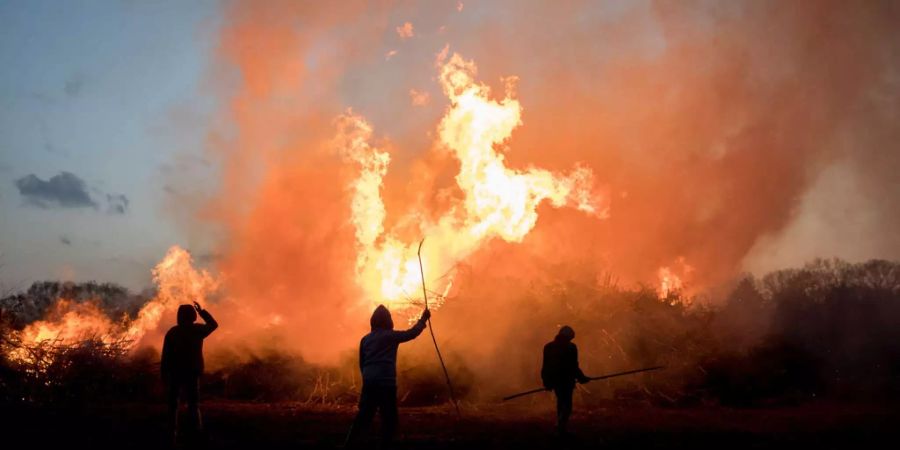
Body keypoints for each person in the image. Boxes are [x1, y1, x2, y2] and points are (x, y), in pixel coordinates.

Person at [345, 305, 431, 448]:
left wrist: (367, 380)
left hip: (370, 382)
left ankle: (349, 444)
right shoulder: (390, 336)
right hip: (386, 383)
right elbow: (412, 333)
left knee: (363, 416)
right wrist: (423, 319)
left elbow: (362, 363)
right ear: (388, 321)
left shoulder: (365, 339)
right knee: (389, 417)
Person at [161, 301, 218, 441]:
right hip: (192, 372)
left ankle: (172, 433)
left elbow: (166, 355)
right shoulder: (197, 330)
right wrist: (202, 311)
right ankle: (195, 432)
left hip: (175, 372)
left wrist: (164, 374)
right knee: (193, 403)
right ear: (193, 316)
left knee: (173, 404)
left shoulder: (173, 332)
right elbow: (213, 325)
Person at [541, 325, 589, 436]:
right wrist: (582, 378)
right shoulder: (571, 348)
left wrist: (546, 381)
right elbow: (573, 366)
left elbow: (545, 366)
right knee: (566, 405)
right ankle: (561, 427)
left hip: (556, 381)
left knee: (560, 402)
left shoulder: (549, 347)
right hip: (566, 381)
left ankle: (560, 426)